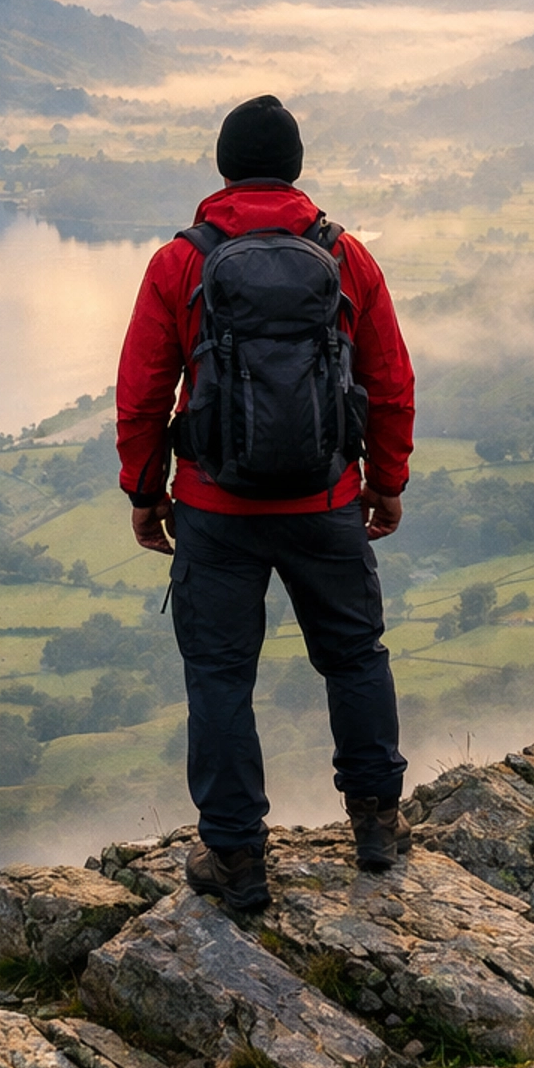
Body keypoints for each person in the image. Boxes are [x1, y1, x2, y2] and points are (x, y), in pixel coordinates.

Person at [115, 92, 414, 911]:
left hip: (216, 510)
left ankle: (239, 859)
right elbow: (388, 385)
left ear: (221, 166)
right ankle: (378, 824)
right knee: (354, 658)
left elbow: (143, 393)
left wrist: (146, 492)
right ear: (296, 168)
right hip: (327, 503)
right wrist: (385, 483)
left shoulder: (182, 262)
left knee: (218, 677)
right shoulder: (345, 255)